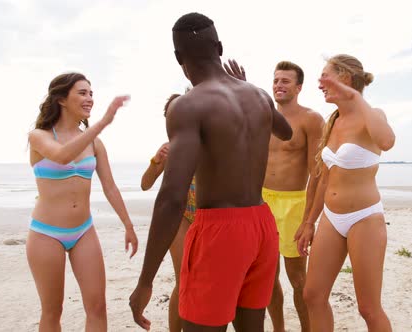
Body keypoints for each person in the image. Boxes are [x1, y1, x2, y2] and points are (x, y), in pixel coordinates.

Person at [129, 12, 292, 332]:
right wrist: (250, 89)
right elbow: (285, 132)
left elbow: (171, 198)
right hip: (261, 224)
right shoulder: (258, 94)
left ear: (179, 58)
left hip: (220, 231)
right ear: (219, 48)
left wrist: (145, 281)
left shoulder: (189, 106)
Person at [27, 72, 138, 332]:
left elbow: (109, 187)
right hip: (46, 234)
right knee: (53, 312)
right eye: (82, 92)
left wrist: (128, 225)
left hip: (83, 231)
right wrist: (102, 122)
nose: (89, 99)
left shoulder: (95, 143)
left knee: (97, 307)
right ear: (62, 99)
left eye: (91, 93)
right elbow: (62, 156)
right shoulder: (39, 136)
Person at [296, 54, 395, 331]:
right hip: (331, 217)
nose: (319, 84)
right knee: (313, 295)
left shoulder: (372, 116)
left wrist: (355, 97)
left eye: (325, 77)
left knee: (368, 308)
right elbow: (325, 180)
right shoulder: (333, 122)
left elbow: (386, 141)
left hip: (364, 218)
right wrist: (308, 222)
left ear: (346, 79)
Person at [260, 61, 323, 332]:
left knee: (298, 279)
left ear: (298, 87)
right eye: (275, 80)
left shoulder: (311, 119)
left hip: (294, 204)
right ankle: (279, 329)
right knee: (266, 278)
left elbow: (317, 173)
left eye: (285, 81)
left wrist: (309, 220)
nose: (278, 85)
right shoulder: (263, 117)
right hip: (261, 202)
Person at [140, 93, 198, 332]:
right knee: (184, 280)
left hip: (208, 215)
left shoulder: (207, 142)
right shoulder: (168, 149)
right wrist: (156, 161)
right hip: (181, 215)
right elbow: (145, 184)